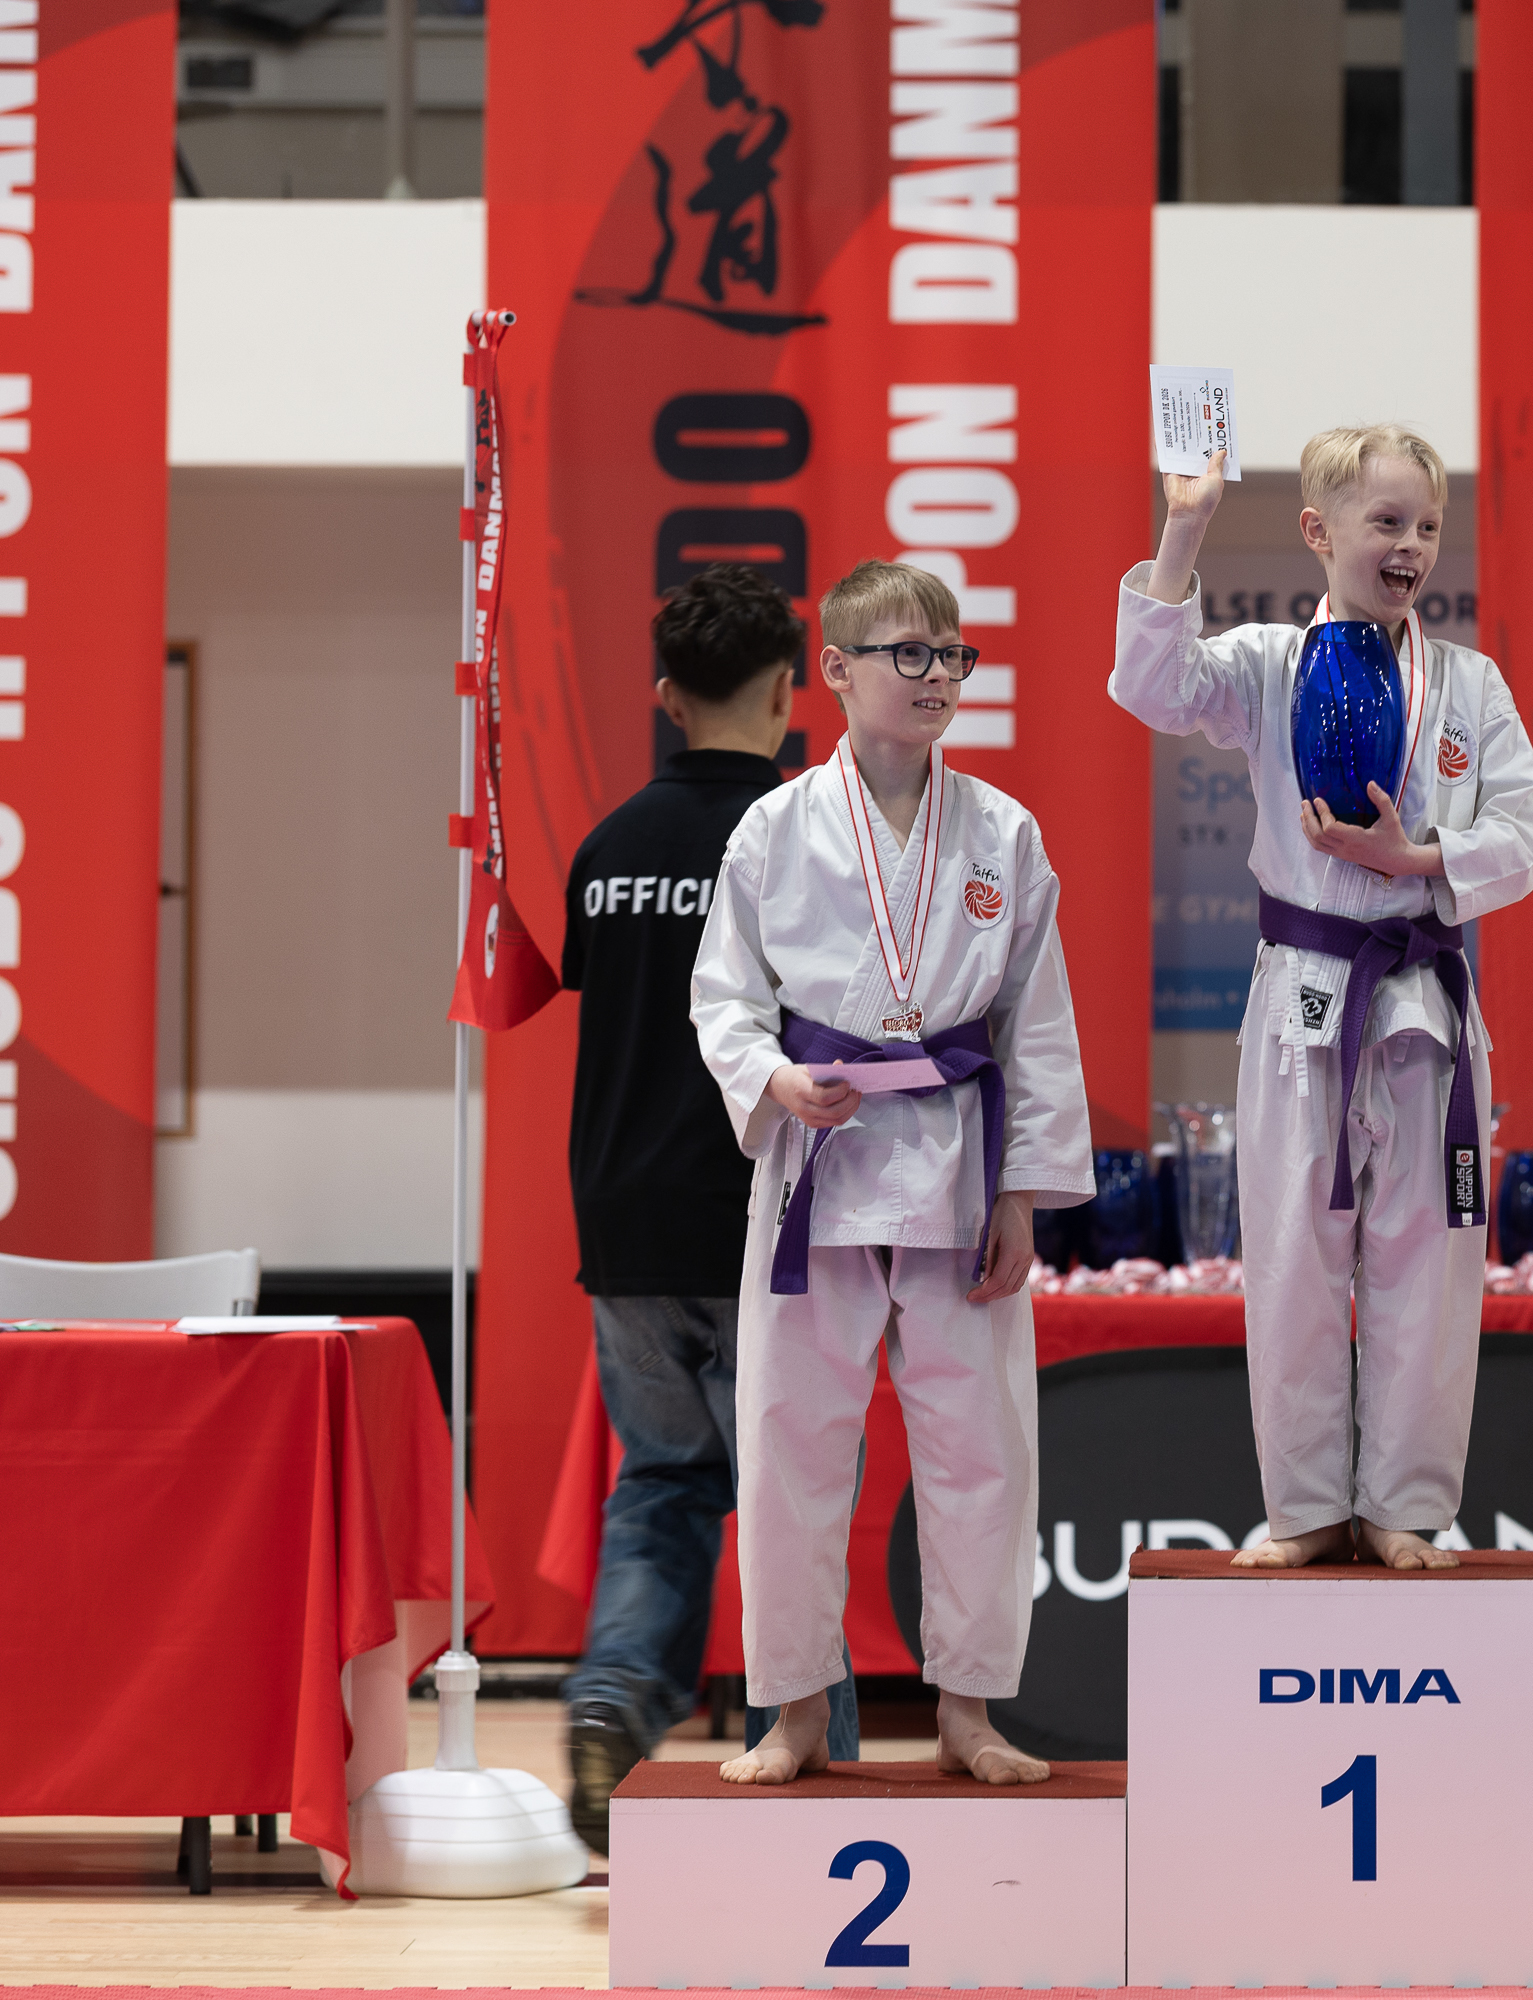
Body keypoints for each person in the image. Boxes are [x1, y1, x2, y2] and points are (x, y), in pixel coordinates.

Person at [1112, 427, 1533, 1570]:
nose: (1411, 546)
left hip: (1427, 1003)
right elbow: (1152, 685)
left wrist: (1419, 859)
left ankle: (1403, 1505)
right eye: (1386, 521)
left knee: (1428, 1263)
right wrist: (1186, 524)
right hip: (1303, 994)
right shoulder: (1268, 662)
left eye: (1428, 526)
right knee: (1293, 1259)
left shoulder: (1471, 684)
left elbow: (1525, 838)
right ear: (1318, 530)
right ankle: (1304, 1505)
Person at [693, 559, 1092, 1785]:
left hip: (958, 1165)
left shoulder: (1004, 831)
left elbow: (1035, 1024)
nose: (935, 675)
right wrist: (771, 1078)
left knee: (981, 1448)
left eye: (951, 654)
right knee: (791, 1444)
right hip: (819, 1157)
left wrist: (1024, 1189)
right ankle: (795, 1711)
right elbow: (723, 998)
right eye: (908, 653)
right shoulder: (774, 827)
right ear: (836, 669)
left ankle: (970, 1709)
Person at [557, 564, 859, 1847]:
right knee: (797, 1497)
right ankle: (817, 1776)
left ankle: (615, 1695)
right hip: (763, 1218)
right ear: (793, 692)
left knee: (665, 1481)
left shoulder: (609, 847)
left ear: (664, 694)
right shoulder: (812, 838)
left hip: (625, 1228)